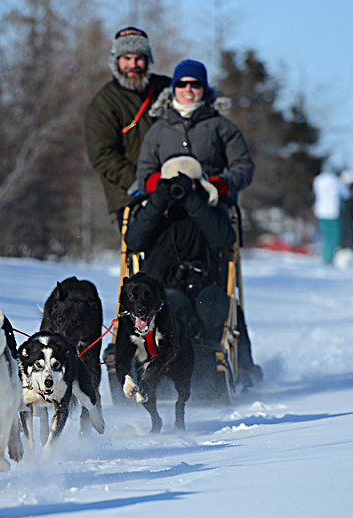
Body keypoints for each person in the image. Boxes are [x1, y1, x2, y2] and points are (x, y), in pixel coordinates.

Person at [126, 154, 261, 387]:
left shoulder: (211, 207)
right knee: (172, 302)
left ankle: (216, 365)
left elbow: (224, 239)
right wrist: (159, 200)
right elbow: (134, 240)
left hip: (205, 284)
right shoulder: (153, 210)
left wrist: (192, 200)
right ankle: (170, 366)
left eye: (186, 182)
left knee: (215, 303)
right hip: (163, 286)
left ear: (198, 183)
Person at [83, 27, 173, 232]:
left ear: (148, 59)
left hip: (173, 185)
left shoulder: (167, 89)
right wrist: (141, 181)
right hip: (129, 194)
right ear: (116, 62)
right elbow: (102, 155)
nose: (133, 65)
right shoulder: (104, 103)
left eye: (139, 58)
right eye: (126, 58)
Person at [136, 59, 254, 200]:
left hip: (211, 205)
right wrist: (162, 184)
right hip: (168, 207)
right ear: (174, 88)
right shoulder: (157, 131)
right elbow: (144, 175)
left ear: (204, 89)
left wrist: (220, 184)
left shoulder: (223, 127)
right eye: (181, 84)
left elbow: (244, 167)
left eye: (195, 84)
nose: (188, 89)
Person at [312, 164, 348, 264]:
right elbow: (346, 194)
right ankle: (329, 258)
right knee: (334, 237)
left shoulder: (318, 180)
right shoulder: (336, 180)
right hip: (332, 212)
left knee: (325, 236)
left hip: (320, 212)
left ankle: (325, 256)